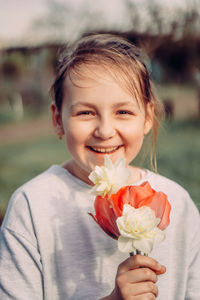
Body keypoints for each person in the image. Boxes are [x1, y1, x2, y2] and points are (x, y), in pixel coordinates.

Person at [0, 33, 199, 300]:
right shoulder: (32, 207)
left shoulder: (179, 204)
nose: (105, 131)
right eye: (86, 113)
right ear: (58, 119)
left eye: (123, 112)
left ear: (147, 118)